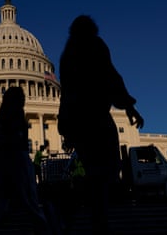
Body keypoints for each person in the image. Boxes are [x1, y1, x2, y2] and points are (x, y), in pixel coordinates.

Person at [58, 15, 144, 234]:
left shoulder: (68, 53)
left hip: (80, 121)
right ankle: (95, 218)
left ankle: (71, 213)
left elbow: (66, 94)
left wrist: (66, 129)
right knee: (106, 171)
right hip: (96, 119)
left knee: (96, 173)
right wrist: (128, 106)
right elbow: (112, 76)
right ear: (92, 29)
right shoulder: (94, 46)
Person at [0, 87, 50, 235]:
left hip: (5, 166)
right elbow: (21, 147)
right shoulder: (19, 125)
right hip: (19, 167)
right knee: (32, 208)